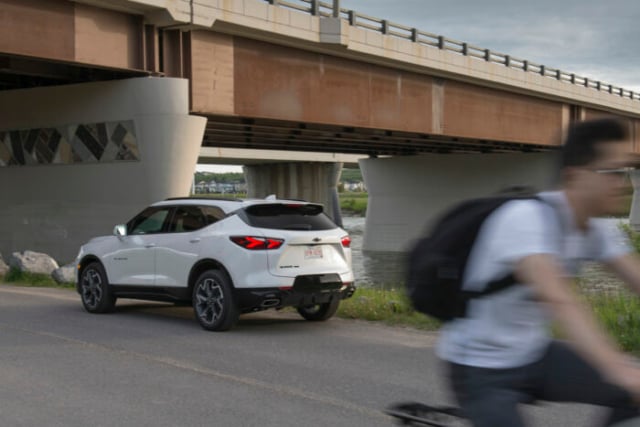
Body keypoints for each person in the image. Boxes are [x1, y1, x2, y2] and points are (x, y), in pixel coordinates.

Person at [436, 118, 640, 426]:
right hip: (479, 368)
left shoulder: (597, 230)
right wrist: (619, 369)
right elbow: (559, 300)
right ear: (574, 175)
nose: (623, 183)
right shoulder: (525, 219)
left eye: (625, 171)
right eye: (612, 172)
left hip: (533, 354)